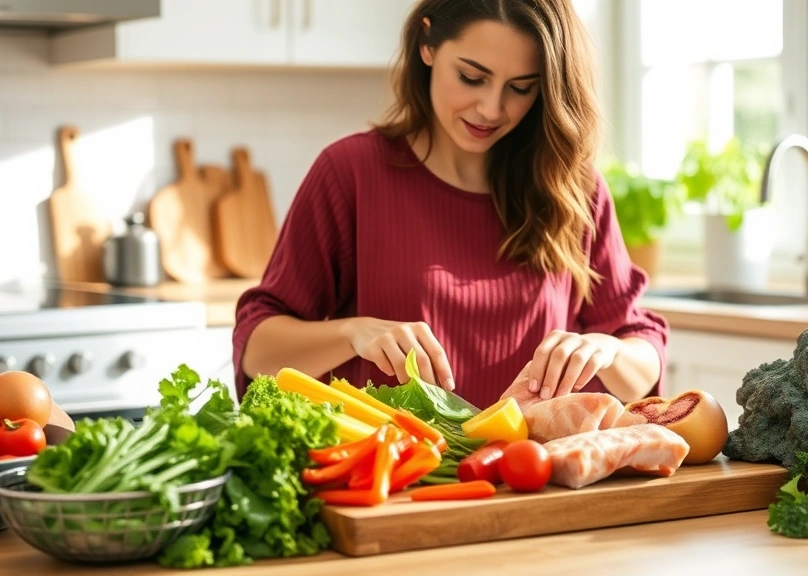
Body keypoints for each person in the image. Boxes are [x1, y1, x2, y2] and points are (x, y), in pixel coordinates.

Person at [232, 0, 669, 410]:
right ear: (427, 44)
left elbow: (641, 352)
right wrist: (352, 332)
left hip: (534, 482)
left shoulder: (572, 188)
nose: (491, 108)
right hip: (395, 482)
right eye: (472, 77)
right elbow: (257, 347)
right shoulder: (350, 173)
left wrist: (608, 350)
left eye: (520, 88)